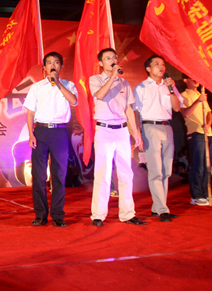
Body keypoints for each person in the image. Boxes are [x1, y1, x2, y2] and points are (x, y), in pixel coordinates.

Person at [89, 48, 146, 227]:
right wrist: (113, 77)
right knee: (103, 173)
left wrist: (135, 132)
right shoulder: (95, 80)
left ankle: (128, 214)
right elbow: (100, 95)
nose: (112, 60)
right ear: (101, 63)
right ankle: (98, 215)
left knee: (126, 173)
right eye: (107, 58)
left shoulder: (124, 83)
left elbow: (128, 109)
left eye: (114, 57)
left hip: (122, 130)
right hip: (104, 129)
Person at [23, 52, 77, 227]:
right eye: (49, 63)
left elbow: (74, 101)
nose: (53, 65)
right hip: (41, 131)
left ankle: (58, 215)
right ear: (44, 67)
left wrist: (58, 83)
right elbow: (30, 112)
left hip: (60, 132)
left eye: (56, 62)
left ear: (61, 66)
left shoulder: (69, 85)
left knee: (59, 174)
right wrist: (31, 134)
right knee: (38, 175)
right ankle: (40, 214)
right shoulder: (37, 87)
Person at [133, 54, 182, 222]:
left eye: (163, 64)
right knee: (156, 170)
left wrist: (171, 89)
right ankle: (162, 209)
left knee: (166, 171)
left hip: (167, 127)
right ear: (148, 68)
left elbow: (177, 108)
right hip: (149, 127)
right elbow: (135, 111)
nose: (161, 67)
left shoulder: (169, 85)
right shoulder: (141, 87)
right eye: (156, 64)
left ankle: (157, 207)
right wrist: (137, 133)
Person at [180, 75, 212, 206]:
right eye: (192, 78)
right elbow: (185, 113)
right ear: (185, 80)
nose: (195, 80)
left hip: (207, 132)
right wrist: (198, 101)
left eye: (196, 77)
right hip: (195, 132)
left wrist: (208, 124)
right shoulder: (183, 95)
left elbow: (209, 113)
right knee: (198, 165)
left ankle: (206, 194)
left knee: (206, 165)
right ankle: (196, 196)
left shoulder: (201, 94)